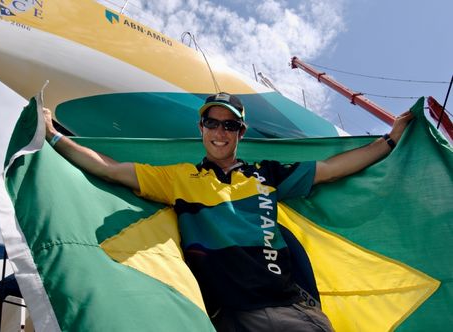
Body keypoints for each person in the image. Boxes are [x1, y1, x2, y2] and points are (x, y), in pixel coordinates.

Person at [43, 92, 414, 332]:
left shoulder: (266, 173)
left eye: (230, 124)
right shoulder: (179, 179)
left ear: (241, 131)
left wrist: (390, 140)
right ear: (201, 127)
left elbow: (334, 168)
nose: (220, 131)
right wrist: (54, 137)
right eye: (212, 122)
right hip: (228, 318)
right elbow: (109, 168)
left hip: (288, 310)